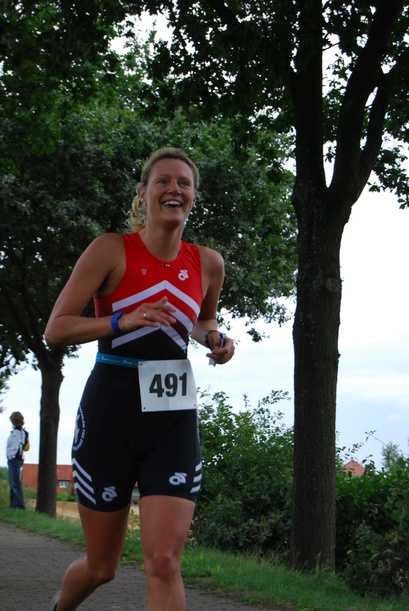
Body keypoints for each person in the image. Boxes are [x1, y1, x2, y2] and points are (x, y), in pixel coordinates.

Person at [45, 147, 235, 611]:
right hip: (110, 413)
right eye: (163, 181)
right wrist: (119, 321)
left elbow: (201, 321)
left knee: (165, 561)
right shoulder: (110, 250)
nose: (174, 189)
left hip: (172, 418)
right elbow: (57, 329)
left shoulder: (208, 263)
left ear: (193, 197)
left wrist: (215, 339)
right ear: (143, 193)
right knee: (101, 567)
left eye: (184, 183)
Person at [6, 411, 29, 509]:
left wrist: (12, 456)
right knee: (13, 482)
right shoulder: (17, 432)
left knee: (15, 483)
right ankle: (13, 505)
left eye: (12, 421)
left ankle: (19, 505)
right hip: (14, 459)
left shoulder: (20, 432)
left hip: (15, 459)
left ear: (15, 421)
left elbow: (19, 446)